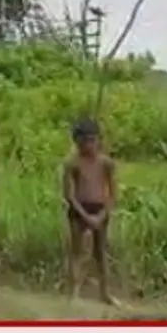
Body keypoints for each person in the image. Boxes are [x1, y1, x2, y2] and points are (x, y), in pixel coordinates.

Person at [63, 117, 117, 305]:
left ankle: (105, 293)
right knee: (77, 251)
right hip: (79, 209)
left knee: (100, 253)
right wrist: (86, 216)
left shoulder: (106, 163)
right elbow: (69, 194)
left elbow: (112, 194)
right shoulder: (72, 163)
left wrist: (101, 216)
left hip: (100, 209)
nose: (90, 145)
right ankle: (74, 293)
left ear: (99, 140)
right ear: (77, 142)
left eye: (93, 140)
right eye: (85, 140)